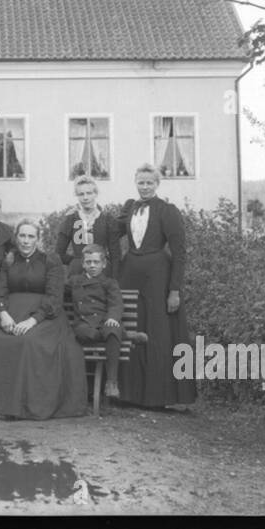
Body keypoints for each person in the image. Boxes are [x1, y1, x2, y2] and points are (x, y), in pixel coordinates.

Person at [0, 219, 88, 420]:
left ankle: (27, 406)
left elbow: (54, 297)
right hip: (12, 314)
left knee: (28, 341)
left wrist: (33, 321)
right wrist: (3, 315)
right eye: (22, 235)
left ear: (38, 239)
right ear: (16, 238)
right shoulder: (9, 260)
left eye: (31, 236)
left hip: (45, 316)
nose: (26, 241)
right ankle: (3, 405)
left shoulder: (51, 261)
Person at [117, 164, 196, 409]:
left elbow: (180, 253)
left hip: (158, 277)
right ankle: (129, 394)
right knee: (131, 326)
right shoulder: (129, 207)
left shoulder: (167, 211)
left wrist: (175, 290)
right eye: (141, 182)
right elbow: (110, 233)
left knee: (158, 332)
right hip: (130, 272)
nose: (145, 186)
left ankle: (159, 397)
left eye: (149, 182)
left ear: (157, 183)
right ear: (135, 182)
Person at [67, 244, 148, 400]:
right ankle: (126, 335)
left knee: (112, 329)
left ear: (103, 264)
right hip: (84, 324)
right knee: (87, 334)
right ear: (83, 264)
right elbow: (57, 289)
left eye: (96, 262)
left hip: (105, 321)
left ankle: (111, 382)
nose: (92, 266)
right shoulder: (75, 281)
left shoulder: (109, 283)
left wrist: (112, 318)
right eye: (88, 262)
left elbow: (116, 303)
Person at [54, 175, 122, 279]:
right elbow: (58, 253)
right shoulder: (71, 219)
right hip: (77, 274)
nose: (85, 198)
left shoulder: (107, 219)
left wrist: (114, 278)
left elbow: (115, 254)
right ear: (77, 196)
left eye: (89, 193)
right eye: (81, 194)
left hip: (103, 273)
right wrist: (76, 261)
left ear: (95, 194)